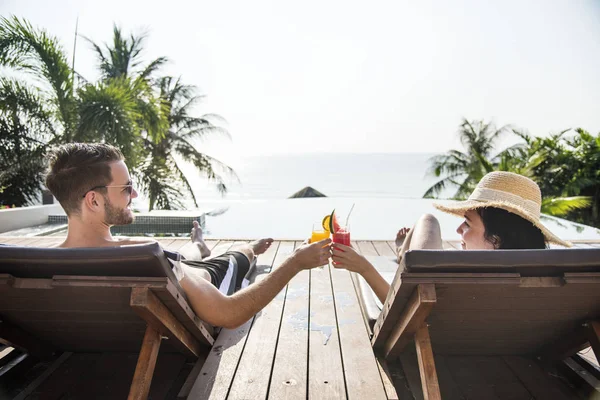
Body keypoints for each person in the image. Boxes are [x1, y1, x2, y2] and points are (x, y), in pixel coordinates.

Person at [45, 143, 331, 329]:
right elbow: (229, 312)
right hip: (210, 278)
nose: (134, 194)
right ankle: (241, 249)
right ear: (93, 201)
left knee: (184, 257)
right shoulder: (145, 255)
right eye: (126, 188)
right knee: (237, 254)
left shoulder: (41, 266)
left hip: (179, 268)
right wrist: (294, 262)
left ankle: (197, 245)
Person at [331, 171, 571, 304]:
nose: (457, 231)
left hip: (435, 325)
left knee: (428, 224)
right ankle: (405, 253)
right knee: (428, 224)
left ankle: (405, 255)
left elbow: (402, 313)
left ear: (496, 240)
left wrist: (365, 268)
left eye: (467, 223)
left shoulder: (464, 283)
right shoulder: (553, 283)